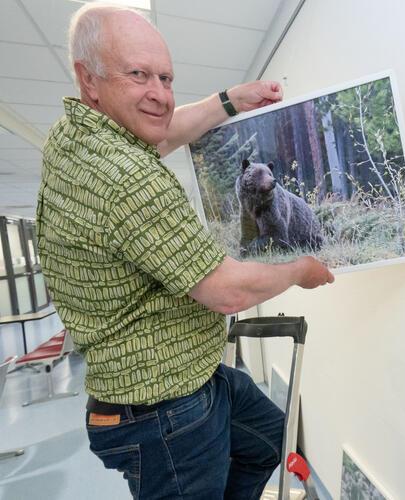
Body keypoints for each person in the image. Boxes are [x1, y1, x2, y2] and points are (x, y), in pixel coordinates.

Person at [35, 4, 334, 499]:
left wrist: (231, 101)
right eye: (138, 75)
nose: (160, 94)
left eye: (166, 77)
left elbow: (164, 127)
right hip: (161, 412)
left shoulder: (78, 136)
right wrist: (299, 269)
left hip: (184, 379)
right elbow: (225, 290)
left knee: (267, 437)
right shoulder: (125, 177)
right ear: (89, 79)